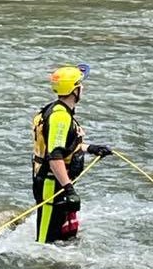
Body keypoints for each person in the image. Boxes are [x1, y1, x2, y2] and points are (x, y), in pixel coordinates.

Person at [31, 63, 112, 243]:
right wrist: (69, 189)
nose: (83, 88)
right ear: (75, 91)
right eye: (80, 85)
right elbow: (54, 156)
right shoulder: (60, 117)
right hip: (52, 185)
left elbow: (64, 145)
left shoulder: (59, 110)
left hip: (56, 183)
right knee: (45, 243)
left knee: (62, 238)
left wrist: (91, 148)